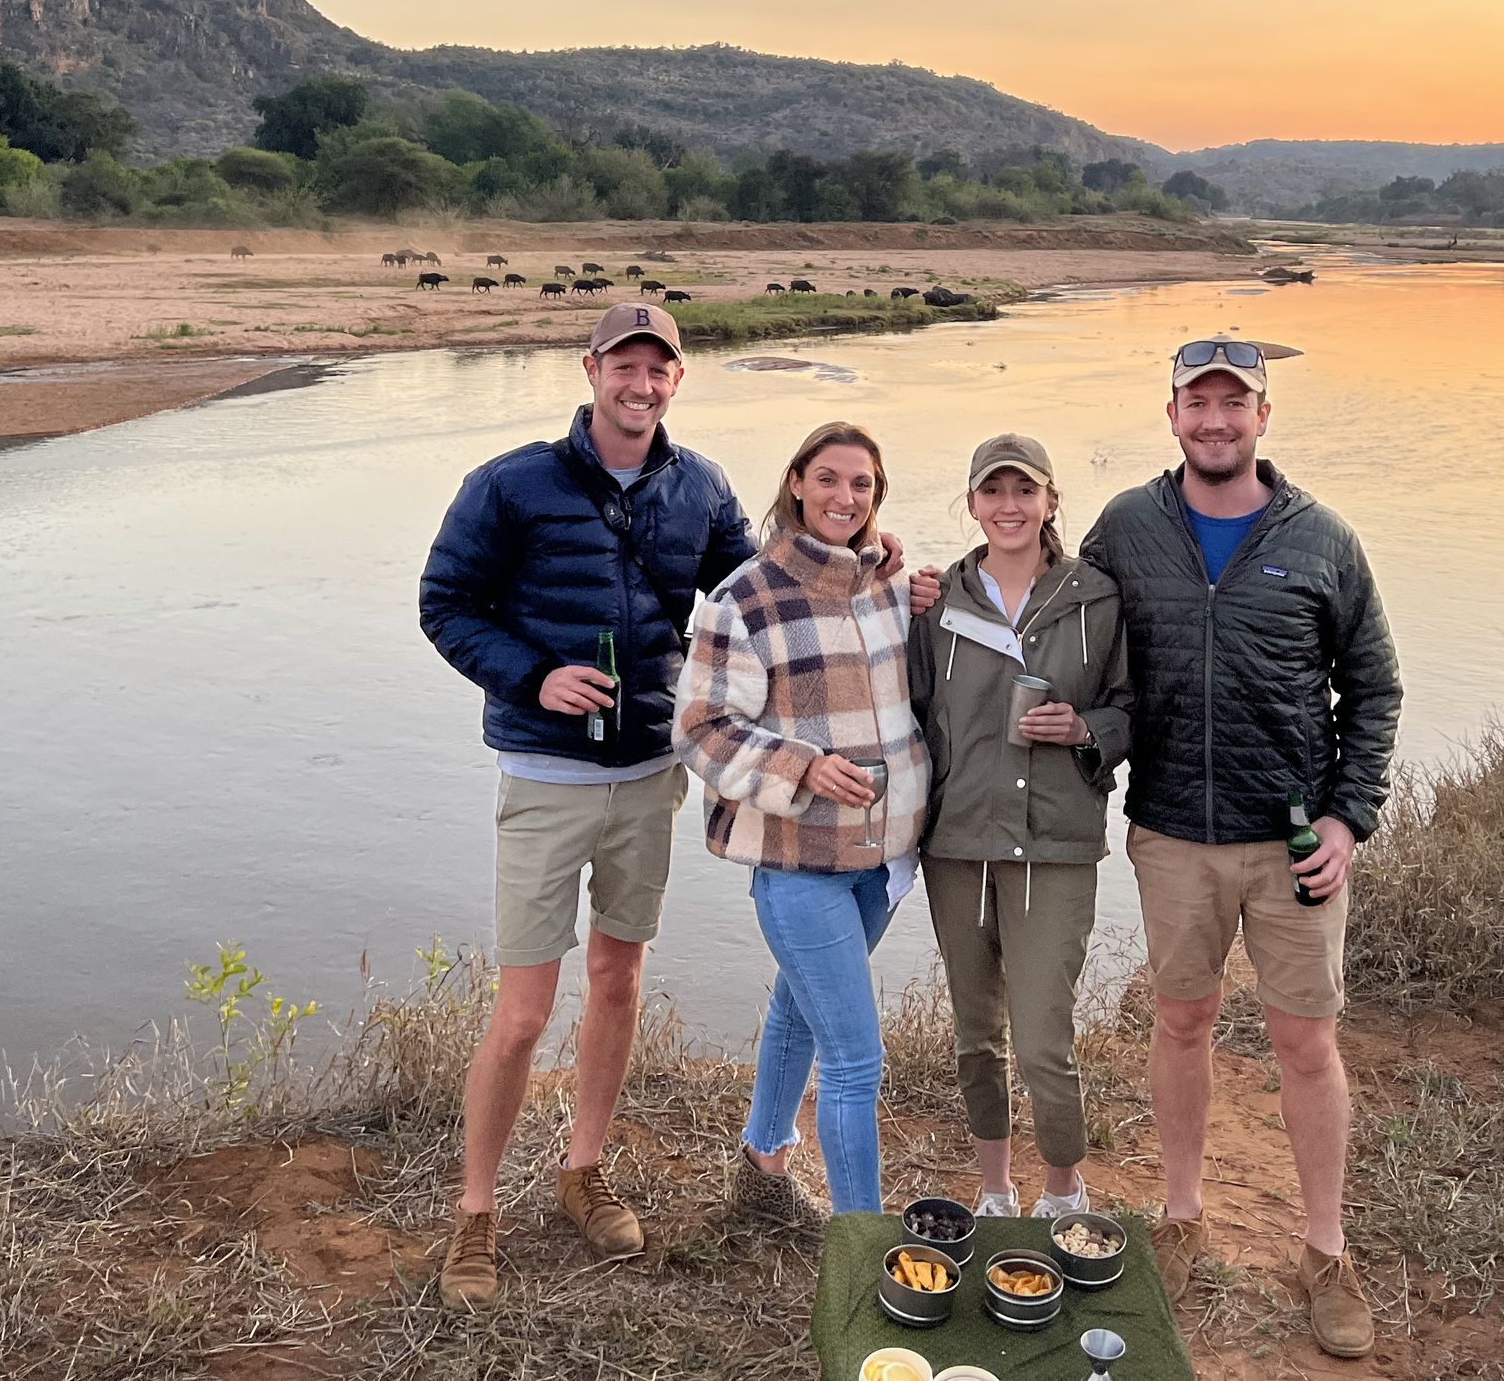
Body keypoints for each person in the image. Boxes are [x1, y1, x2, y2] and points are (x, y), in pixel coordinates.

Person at [417, 307, 925, 1309]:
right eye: (623, 366)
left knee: (616, 981)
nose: (639, 384)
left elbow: (758, 576)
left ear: (677, 380)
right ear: (592, 369)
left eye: (657, 369)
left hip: (652, 772)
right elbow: (445, 603)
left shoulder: (695, 485)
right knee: (521, 1012)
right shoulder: (510, 482)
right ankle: (474, 1217)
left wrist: (868, 554)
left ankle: (582, 1168)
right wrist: (531, 677)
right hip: (546, 773)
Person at [1079, 336, 1401, 1360]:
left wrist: (1349, 818)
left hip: (1292, 839)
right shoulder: (1126, 527)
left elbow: (1375, 688)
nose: (1215, 420)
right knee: (1181, 1023)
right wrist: (925, 593)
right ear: (1168, 413)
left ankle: (1324, 1249)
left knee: (1305, 1042)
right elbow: (1054, 621)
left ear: (1264, 415)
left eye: (1235, 403)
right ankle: (1179, 1215)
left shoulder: (1323, 540)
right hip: (1171, 831)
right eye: (1197, 403)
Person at [673, 420, 929, 1224]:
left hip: (885, 855)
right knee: (855, 1058)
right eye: (827, 479)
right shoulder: (742, 598)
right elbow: (700, 728)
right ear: (795, 483)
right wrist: (803, 766)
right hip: (797, 859)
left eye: (861, 484)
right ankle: (866, 1251)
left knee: (799, 1004)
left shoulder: (886, 584)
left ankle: (761, 1162)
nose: (843, 498)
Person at [907, 433, 1132, 1220]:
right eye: (992, 492)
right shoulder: (937, 605)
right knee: (977, 1034)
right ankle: (996, 1188)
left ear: (1049, 500)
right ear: (971, 503)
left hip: (1056, 847)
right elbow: (904, 710)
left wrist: (1085, 727)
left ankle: (1064, 1190)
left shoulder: (1094, 598)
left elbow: (1133, 710)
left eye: (1024, 491)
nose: (1009, 507)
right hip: (958, 845)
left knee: (1043, 1037)